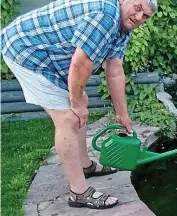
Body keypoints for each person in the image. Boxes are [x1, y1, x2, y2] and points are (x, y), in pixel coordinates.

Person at [1, 0, 157, 210]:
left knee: (80, 102)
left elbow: (115, 70)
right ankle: (79, 192)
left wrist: (122, 114)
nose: (139, 18)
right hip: (24, 49)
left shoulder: (122, 28)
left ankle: (85, 166)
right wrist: (75, 103)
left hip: (47, 54)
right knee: (67, 117)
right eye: (138, 8)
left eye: (145, 16)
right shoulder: (105, 14)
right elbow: (80, 63)